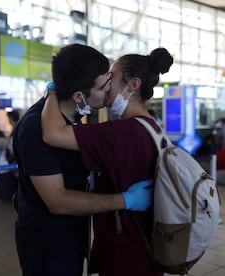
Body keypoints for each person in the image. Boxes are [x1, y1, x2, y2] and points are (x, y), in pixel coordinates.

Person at [13, 44, 153, 276]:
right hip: (47, 244)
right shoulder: (34, 128)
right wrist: (126, 200)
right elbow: (57, 201)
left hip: (73, 234)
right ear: (78, 96)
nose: (109, 89)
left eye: (110, 80)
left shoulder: (75, 115)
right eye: (103, 86)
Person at [42, 47, 173, 275]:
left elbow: (53, 133)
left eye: (112, 76)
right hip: (149, 249)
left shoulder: (120, 132)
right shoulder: (153, 128)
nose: (107, 83)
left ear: (132, 85)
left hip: (124, 253)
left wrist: (56, 89)